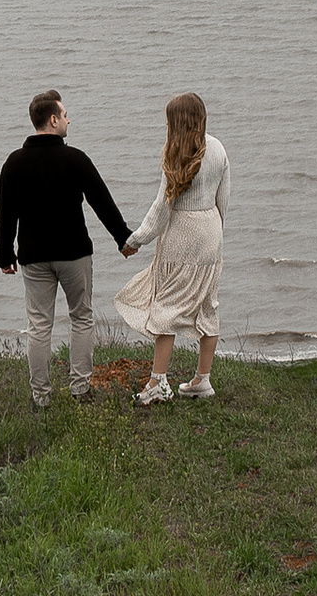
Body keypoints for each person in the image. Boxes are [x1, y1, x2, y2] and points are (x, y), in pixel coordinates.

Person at [0, 88, 134, 408]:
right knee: (82, 318)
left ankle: (41, 398)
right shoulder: (75, 159)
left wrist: (6, 255)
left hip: (33, 257)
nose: (69, 120)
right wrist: (122, 238)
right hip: (74, 254)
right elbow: (102, 202)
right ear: (53, 119)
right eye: (66, 114)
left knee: (39, 326)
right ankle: (80, 389)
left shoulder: (14, 163)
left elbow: (6, 214)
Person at [115, 91, 230, 404]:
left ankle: (158, 383)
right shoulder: (218, 148)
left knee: (165, 307)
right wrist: (217, 235)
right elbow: (224, 201)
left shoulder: (174, 153)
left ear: (175, 122)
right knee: (208, 304)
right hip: (211, 233)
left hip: (182, 235)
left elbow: (160, 210)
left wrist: (134, 240)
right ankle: (202, 380)